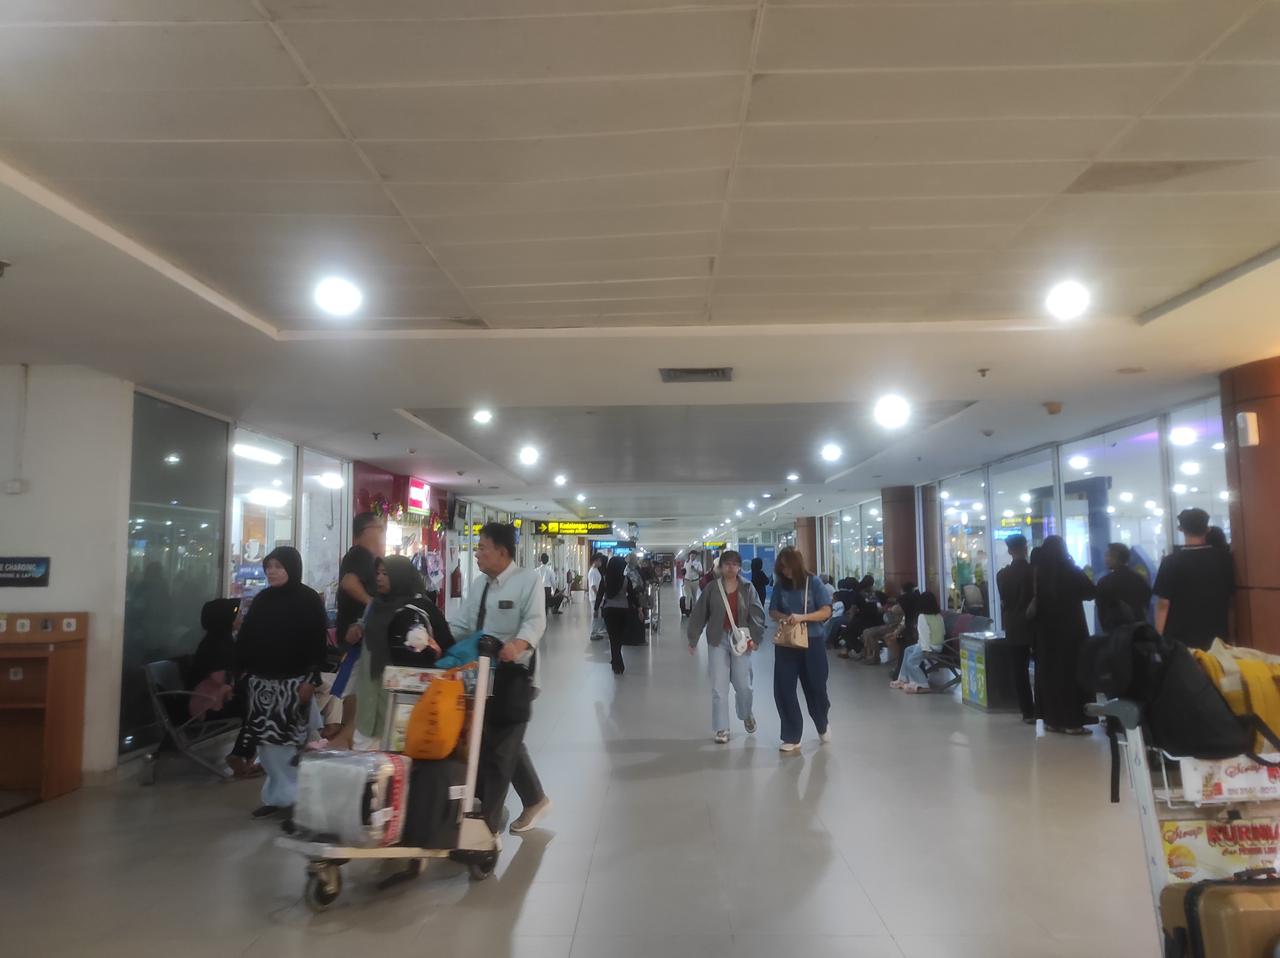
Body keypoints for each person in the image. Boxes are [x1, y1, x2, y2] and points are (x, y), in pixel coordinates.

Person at [449, 522, 551, 848]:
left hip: (515, 677)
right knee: (493, 740)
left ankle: (488, 824)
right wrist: (435, 642)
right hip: (480, 678)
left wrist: (517, 645)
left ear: (503, 552)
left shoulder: (528, 581)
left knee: (500, 748)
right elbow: (462, 625)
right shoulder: (480, 585)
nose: (477, 553)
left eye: (482, 547)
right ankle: (535, 799)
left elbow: (535, 621)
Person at [236, 547, 328, 818]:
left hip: (293, 684)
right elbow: (248, 637)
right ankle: (276, 797)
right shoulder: (263, 599)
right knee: (267, 745)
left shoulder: (308, 600)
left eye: (278, 566)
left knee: (291, 744)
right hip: (263, 686)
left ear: (292, 568)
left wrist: (311, 679)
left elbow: (316, 642)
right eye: (269, 566)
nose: (271, 571)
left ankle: (297, 800)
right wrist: (240, 670)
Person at [353, 556, 454, 750]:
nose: (380, 579)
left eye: (386, 574)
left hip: (406, 705)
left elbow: (446, 647)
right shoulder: (375, 606)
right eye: (378, 573)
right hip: (369, 700)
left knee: (398, 768)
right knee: (366, 768)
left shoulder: (421, 609)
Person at [686, 550, 765, 743]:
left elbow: (757, 613)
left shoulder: (747, 587)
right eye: (727, 563)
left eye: (734, 564)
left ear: (739, 567)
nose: (731, 567)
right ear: (720, 567)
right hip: (717, 639)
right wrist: (693, 638)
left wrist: (756, 638)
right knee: (719, 687)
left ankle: (746, 714)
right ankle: (722, 728)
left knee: (743, 685)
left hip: (741, 639)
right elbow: (699, 613)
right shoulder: (712, 588)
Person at [769, 547, 834, 752]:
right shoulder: (780, 585)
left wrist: (802, 617)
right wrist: (784, 617)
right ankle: (791, 735)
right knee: (783, 688)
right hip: (787, 643)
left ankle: (821, 722)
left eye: (788, 568)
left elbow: (826, 611)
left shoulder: (813, 583)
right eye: (782, 569)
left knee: (816, 688)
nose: (786, 572)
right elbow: (773, 610)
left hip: (812, 642)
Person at [1030, 535, 1096, 735]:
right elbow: (1090, 592)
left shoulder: (1039, 574)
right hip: (1071, 632)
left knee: (1050, 674)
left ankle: (1052, 720)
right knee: (1072, 675)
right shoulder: (1072, 571)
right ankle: (1073, 722)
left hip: (1046, 633)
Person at [332, 512, 386, 729]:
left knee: (357, 686)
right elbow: (348, 582)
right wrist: (372, 604)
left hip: (359, 633)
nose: (382, 533)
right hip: (356, 634)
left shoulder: (368, 558)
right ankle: (349, 734)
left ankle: (350, 734)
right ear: (366, 531)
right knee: (355, 686)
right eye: (379, 528)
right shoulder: (360, 555)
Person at [1153, 508, 1235, 650]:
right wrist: (1232, 636)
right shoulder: (1224, 559)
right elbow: (1231, 602)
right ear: (1207, 529)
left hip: (1180, 640)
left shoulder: (1170, 561)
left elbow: (1163, 605)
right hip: (1216, 637)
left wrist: (1158, 640)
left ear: (1180, 529)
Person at [996, 535, 1036, 724]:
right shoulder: (1035, 571)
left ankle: (1027, 711)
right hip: (1035, 626)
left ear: (1009, 550)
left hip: (1013, 627)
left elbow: (1004, 602)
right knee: (1043, 668)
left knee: (1019, 671)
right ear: (1025, 548)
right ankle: (1045, 708)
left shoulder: (1002, 575)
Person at [891, 591, 945, 694]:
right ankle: (902, 678)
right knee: (908, 650)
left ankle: (923, 684)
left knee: (911, 662)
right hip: (939, 645)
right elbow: (942, 632)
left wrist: (925, 650)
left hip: (929, 646)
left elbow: (924, 635)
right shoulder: (939, 616)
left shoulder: (922, 617)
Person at [1095, 542, 1152, 634]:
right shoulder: (1139, 579)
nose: (1105, 559)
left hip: (1114, 632)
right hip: (1138, 631)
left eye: (1107, 555)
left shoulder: (1104, 582)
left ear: (1114, 558)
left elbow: (1101, 611)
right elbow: (1146, 604)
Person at [596, 555, 636, 675]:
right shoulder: (625, 580)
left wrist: (595, 608)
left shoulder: (605, 579)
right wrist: (638, 607)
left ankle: (616, 662)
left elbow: (600, 594)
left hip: (609, 611)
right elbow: (632, 595)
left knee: (613, 637)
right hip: (623, 611)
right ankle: (617, 660)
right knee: (619, 638)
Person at [683, 549, 703, 615]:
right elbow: (684, 570)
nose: (692, 557)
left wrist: (695, 569)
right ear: (689, 555)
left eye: (694, 556)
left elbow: (701, 573)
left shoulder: (698, 563)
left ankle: (694, 609)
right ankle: (687, 610)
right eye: (691, 555)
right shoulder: (686, 562)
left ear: (696, 556)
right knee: (688, 595)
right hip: (687, 581)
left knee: (694, 596)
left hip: (695, 581)